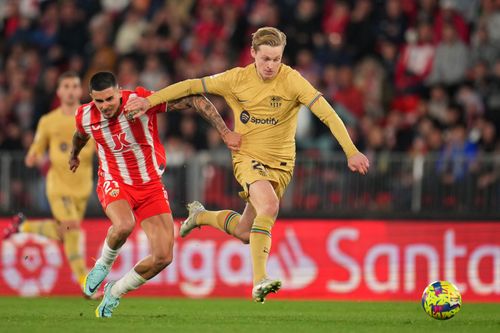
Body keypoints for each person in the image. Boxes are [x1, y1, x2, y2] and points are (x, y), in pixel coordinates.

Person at [124, 27, 370, 303]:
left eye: (276, 59)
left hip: (282, 164)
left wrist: (351, 151)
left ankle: (201, 216)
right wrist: (149, 101)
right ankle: (260, 280)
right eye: (265, 58)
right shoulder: (236, 79)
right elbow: (191, 85)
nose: (271, 65)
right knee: (269, 206)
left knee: (244, 231)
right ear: (253, 53)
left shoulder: (292, 80)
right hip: (247, 157)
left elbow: (327, 114)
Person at [70, 71, 239, 318]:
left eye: (110, 99)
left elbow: (192, 98)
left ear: (119, 92)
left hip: (150, 186)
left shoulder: (140, 102)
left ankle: (114, 292)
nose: (105, 106)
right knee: (124, 224)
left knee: (163, 257)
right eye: (99, 101)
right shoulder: (85, 115)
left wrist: (224, 131)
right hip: (114, 180)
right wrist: (73, 154)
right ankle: (102, 265)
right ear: (91, 99)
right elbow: (80, 135)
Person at [3, 71, 97, 298]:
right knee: (72, 230)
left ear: (80, 90)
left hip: (82, 188)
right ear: (59, 91)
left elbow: (102, 145)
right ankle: (86, 282)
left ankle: (23, 227)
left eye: (74, 86)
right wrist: (32, 156)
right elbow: (35, 148)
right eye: (66, 86)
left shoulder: (90, 117)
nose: (71, 90)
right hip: (58, 186)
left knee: (65, 232)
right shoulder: (49, 121)